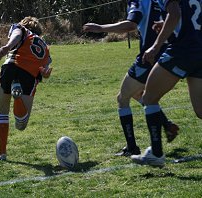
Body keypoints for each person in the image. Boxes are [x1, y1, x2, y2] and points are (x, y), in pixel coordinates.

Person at [83, 0, 179, 157]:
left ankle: (132, 147)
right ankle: (166, 125)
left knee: (122, 98)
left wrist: (100, 28)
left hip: (149, 57)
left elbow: (131, 25)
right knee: (138, 93)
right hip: (169, 54)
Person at [131, 0, 202, 167]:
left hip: (182, 50)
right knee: (200, 110)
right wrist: (166, 24)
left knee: (149, 97)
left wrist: (155, 46)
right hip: (199, 49)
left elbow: (175, 13)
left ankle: (156, 153)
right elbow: (189, 16)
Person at [0, 16, 52, 161]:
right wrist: (45, 74)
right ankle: (17, 97)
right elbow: (45, 70)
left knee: (3, 112)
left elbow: (16, 35)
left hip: (9, 67)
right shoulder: (45, 46)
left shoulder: (20, 28)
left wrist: (7, 46)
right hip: (28, 75)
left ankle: (2, 153)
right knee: (21, 124)